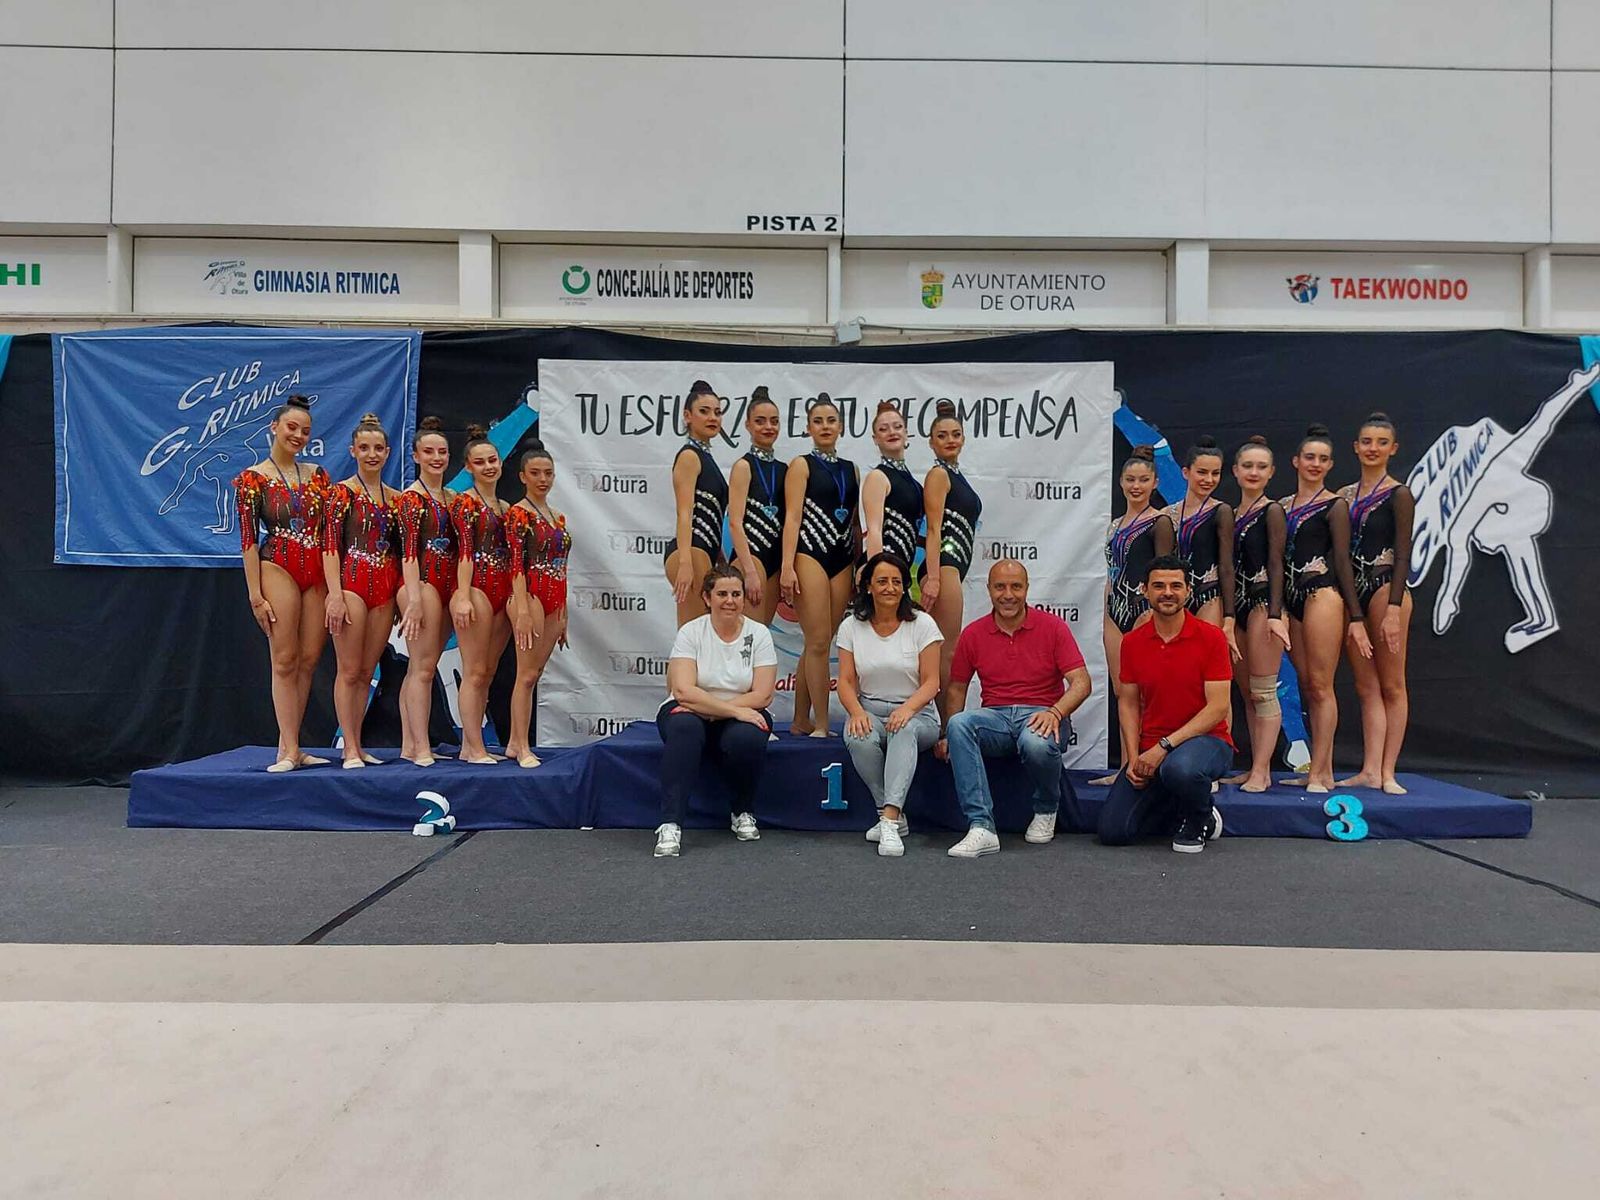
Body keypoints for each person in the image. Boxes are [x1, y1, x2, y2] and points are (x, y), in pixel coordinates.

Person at [936, 560, 1092, 858]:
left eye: (1015, 586)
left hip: (1042, 714)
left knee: (1035, 742)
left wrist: (1055, 713)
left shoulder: (1053, 627)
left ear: (1027, 589)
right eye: (1000, 587)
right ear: (989, 590)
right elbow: (956, 688)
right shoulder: (974, 633)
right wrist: (945, 733)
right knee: (959, 725)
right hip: (995, 717)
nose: (1008, 594)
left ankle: (1047, 808)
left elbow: (1082, 682)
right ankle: (981, 826)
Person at [1097, 555, 1233, 853]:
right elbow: (1129, 704)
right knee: (1113, 831)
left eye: (1175, 585)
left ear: (1188, 591)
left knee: (1180, 769)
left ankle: (1201, 817)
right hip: (1151, 749)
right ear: (1144, 590)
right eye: (1158, 586)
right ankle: (1177, 801)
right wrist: (1133, 759)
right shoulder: (1132, 642)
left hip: (1207, 743)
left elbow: (1218, 708)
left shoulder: (1211, 638)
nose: (1167, 592)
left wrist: (1164, 747)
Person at [232, 394, 331, 773]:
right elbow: (247, 540)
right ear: (274, 427)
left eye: (305, 431)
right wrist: (255, 595)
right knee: (285, 659)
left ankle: (290, 745)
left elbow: (330, 531)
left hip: (315, 570)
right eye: (292, 427)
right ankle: (289, 748)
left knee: (308, 661)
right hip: (277, 565)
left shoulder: (319, 475)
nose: (298, 435)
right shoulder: (252, 479)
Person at [654, 564, 778, 857]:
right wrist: (730, 711)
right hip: (691, 711)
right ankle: (670, 823)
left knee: (747, 737)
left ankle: (742, 811)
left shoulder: (759, 634)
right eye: (722, 593)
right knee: (685, 728)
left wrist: (716, 710)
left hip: (727, 709)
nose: (730, 600)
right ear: (707, 598)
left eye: (736, 593)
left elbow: (763, 694)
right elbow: (683, 691)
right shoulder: (691, 632)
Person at [1280, 423, 1372, 792]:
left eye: (1322, 459)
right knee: (1306, 684)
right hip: (1294, 600)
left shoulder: (1335, 506)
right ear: (1296, 461)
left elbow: (1344, 561)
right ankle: (1318, 769)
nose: (1315, 464)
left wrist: (1356, 616)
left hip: (1323, 595)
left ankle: (1322, 771)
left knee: (1321, 685)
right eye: (1309, 458)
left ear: (1331, 464)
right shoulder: (1283, 506)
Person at [838, 553, 943, 857]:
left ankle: (889, 819)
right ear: (868, 586)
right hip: (870, 707)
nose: (890, 588)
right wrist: (857, 712)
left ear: (905, 587)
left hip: (918, 713)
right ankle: (891, 816)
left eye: (897, 582)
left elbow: (931, 682)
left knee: (903, 728)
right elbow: (845, 681)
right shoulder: (851, 626)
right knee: (857, 735)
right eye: (882, 581)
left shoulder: (923, 623)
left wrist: (908, 709)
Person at [1338, 412, 1415, 794]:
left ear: (1393, 448)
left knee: (1392, 684)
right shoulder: (1344, 496)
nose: (1373, 448)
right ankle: (1369, 769)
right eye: (1366, 441)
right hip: (1355, 592)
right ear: (1356, 447)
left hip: (1387, 588)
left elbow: (1403, 553)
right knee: (1365, 684)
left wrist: (1395, 609)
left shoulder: (1398, 494)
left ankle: (1388, 771)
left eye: (1381, 443)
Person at [321, 413, 402, 769]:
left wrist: (400, 596)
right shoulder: (341, 494)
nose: (372, 454)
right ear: (352, 450)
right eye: (365, 448)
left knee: (368, 672)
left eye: (379, 449)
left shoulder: (397, 500)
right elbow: (329, 547)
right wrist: (334, 594)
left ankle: (357, 742)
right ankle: (349, 745)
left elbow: (401, 553)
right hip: (351, 583)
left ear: (387, 453)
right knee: (349, 669)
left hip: (384, 588)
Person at [780, 393, 859, 736]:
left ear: (840, 427)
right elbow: (792, 517)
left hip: (841, 559)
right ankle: (822, 725)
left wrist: (859, 568)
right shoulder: (801, 465)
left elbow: (855, 523)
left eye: (831, 421)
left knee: (821, 642)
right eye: (818, 421)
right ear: (809, 427)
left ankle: (800, 719)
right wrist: (786, 566)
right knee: (816, 640)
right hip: (809, 553)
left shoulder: (851, 469)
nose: (825, 427)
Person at [1092, 444, 1170, 786]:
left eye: (1143, 480)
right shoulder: (1113, 526)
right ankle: (1126, 765)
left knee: (1144, 691)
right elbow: (1112, 570)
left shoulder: (1160, 521)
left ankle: (1146, 763)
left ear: (1154, 483)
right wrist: (1107, 605)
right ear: (1121, 483)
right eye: (1130, 479)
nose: (1136, 485)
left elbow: (1166, 573)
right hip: (1115, 611)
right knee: (1122, 691)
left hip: (1143, 610)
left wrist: (1153, 609)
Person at [504, 440, 573, 770]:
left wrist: (564, 613)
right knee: (526, 675)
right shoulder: (518, 514)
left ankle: (515, 741)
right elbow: (516, 565)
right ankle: (521, 745)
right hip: (529, 597)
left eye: (548, 473)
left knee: (536, 673)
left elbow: (562, 564)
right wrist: (520, 610)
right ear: (522, 476)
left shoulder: (557, 516)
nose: (543, 479)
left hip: (554, 599)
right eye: (535, 473)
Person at [1228, 435, 1290, 792]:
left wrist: (1276, 613)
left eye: (1261, 467)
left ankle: (1263, 771)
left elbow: (1277, 562)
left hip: (1263, 602)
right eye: (1247, 466)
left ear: (1271, 473)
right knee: (1246, 690)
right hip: (1234, 608)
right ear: (1235, 471)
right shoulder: (1229, 514)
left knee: (1264, 691)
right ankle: (1256, 764)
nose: (1253, 472)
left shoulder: (1273, 511)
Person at [450, 424, 515, 764]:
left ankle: (474, 743)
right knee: (473, 670)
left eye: (493, 460)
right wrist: (461, 595)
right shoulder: (465, 503)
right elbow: (463, 552)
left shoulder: (506, 506)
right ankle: (470, 745)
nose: (488, 466)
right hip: (476, 586)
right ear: (468, 467)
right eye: (480, 462)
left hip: (503, 590)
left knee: (487, 672)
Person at [395, 416, 457, 767]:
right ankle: (420, 746)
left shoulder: (452, 497)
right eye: (428, 452)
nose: (436, 458)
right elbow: (406, 551)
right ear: (416, 456)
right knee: (423, 666)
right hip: (420, 581)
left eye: (442, 452)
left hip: (447, 583)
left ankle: (408, 742)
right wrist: (414, 599)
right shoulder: (411, 499)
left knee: (422, 666)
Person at [919, 399, 982, 697]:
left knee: (947, 648)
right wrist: (933, 577)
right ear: (931, 443)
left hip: (952, 565)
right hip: (943, 564)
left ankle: (945, 722)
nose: (950, 440)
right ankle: (944, 725)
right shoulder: (939, 475)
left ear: (964, 439)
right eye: (942, 435)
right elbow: (932, 529)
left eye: (955, 434)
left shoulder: (955, 475)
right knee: (946, 648)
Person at [1157, 435, 1236, 649]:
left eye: (1215, 473)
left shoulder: (1222, 511)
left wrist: (1229, 617)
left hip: (1209, 594)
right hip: (1174, 596)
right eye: (1202, 472)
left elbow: (1227, 566)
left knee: (1205, 661)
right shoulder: (1167, 514)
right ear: (1186, 472)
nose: (1208, 480)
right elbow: (1159, 564)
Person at [664, 380, 728, 628]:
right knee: (692, 635)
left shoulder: (705, 457)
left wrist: (720, 556)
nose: (712, 417)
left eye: (717, 412)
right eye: (704, 411)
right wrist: (685, 562)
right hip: (691, 550)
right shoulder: (689, 457)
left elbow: (713, 515)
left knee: (704, 634)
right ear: (687, 416)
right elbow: (684, 513)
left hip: (704, 551)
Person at [727, 385, 787, 625]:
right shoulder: (743, 466)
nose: (768, 427)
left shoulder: (785, 469)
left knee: (761, 634)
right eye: (760, 421)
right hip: (751, 556)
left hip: (775, 560)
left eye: (774, 421)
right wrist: (749, 570)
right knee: (747, 636)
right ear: (748, 425)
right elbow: (735, 522)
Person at [860, 401, 923, 566]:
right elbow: (874, 531)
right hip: (885, 565)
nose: (891, 432)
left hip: (903, 568)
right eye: (883, 429)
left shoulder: (914, 483)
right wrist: (875, 573)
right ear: (875, 439)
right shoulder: (878, 477)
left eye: (897, 426)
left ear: (906, 433)